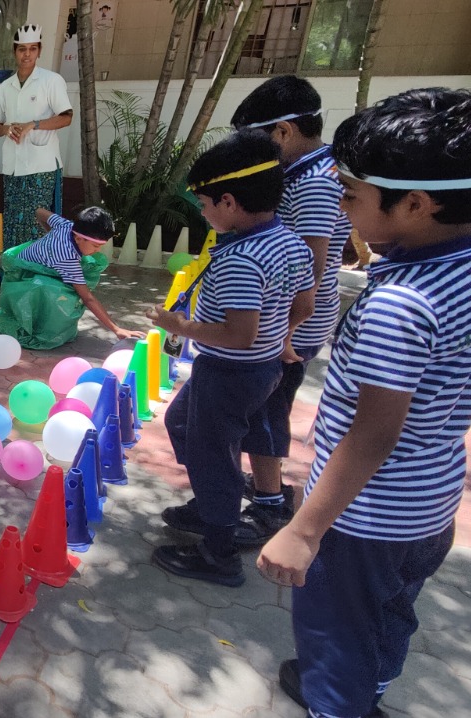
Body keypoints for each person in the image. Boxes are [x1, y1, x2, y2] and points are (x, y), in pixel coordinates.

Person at [256, 88, 471, 718]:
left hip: (364, 519)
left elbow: (373, 434)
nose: (340, 201)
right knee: (388, 610)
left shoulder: (399, 306)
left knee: (335, 632)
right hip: (432, 500)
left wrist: (304, 529)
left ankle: (338, 702)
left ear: (416, 204)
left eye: (351, 194)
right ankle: (364, 690)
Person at [144, 129, 315, 587]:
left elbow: (239, 334)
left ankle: (218, 552)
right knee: (182, 424)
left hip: (230, 371)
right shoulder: (290, 242)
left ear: (229, 202)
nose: (202, 212)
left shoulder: (241, 259)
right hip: (260, 369)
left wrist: (181, 327)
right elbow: (305, 305)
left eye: (204, 204)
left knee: (213, 455)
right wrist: (281, 339)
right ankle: (211, 502)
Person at [229, 75, 353, 545]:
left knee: (265, 410)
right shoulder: (307, 172)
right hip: (286, 319)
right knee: (264, 405)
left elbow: (312, 269)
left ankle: (269, 505)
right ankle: (267, 485)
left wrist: (283, 333)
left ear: (283, 131)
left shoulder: (316, 184)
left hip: (292, 323)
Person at [0, 23, 74, 280]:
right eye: (22, 49)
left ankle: (36, 276)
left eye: (32, 49)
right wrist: (8, 129)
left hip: (41, 165)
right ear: (15, 51)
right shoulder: (6, 86)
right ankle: (11, 273)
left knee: (37, 221)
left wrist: (33, 125)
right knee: (13, 220)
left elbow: (66, 117)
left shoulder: (51, 81)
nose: (27, 54)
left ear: (39, 51)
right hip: (13, 165)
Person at [0, 206, 143, 345]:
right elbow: (87, 297)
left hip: (36, 258)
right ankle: (36, 326)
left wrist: (50, 234)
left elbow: (39, 212)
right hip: (24, 270)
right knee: (63, 294)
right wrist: (116, 329)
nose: (98, 250)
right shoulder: (67, 259)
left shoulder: (66, 225)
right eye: (96, 246)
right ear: (78, 238)